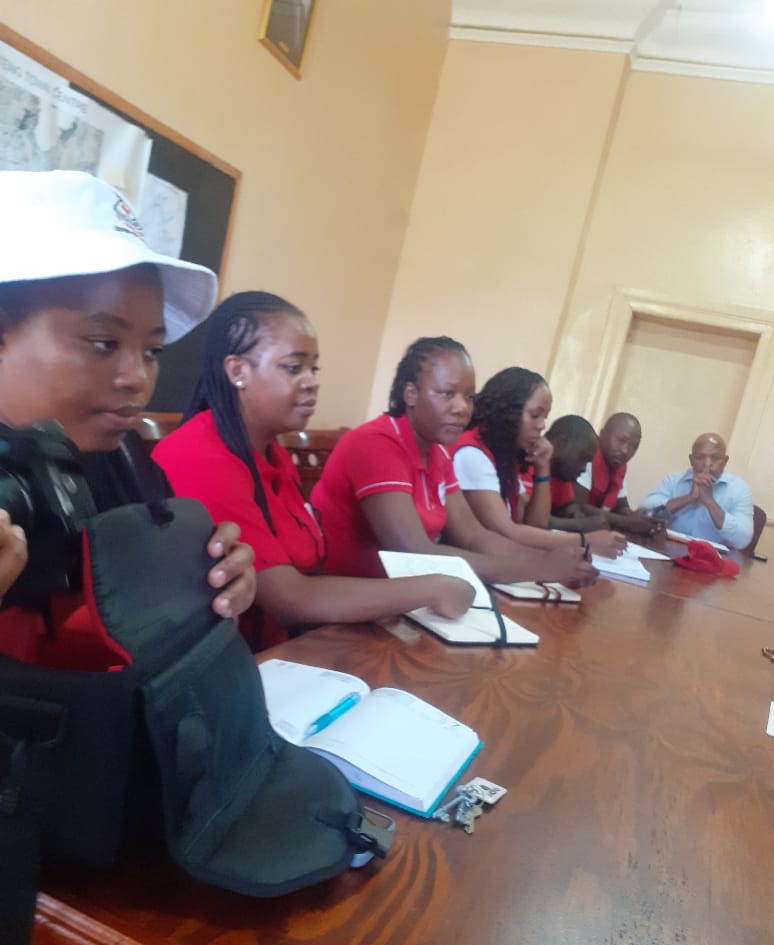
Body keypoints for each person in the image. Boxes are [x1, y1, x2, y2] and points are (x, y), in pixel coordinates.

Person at [0, 170, 257, 660]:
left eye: (153, 351)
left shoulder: (123, 460)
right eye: (104, 343)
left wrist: (213, 588)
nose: (137, 377)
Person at [152, 293, 474, 648]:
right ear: (238, 371)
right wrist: (432, 588)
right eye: (294, 368)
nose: (311, 382)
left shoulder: (274, 454)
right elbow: (290, 599)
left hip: (292, 646)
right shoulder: (201, 455)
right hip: (236, 658)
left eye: (313, 369)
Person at [311, 339, 596, 586]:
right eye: (447, 393)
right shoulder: (376, 443)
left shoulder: (439, 452)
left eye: (468, 397)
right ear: (410, 394)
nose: (462, 408)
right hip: (344, 603)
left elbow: (474, 536)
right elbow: (414, 553)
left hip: (401, 596)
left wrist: (550, 561)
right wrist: (536, 568)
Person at [453, 368, 625, 558]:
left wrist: (543, 467)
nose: (542, 425)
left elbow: (535, 524)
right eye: (535, 415)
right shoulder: (472, 453)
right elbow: (506, 531)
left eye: (545, 417)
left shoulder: (503, 455)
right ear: (508, 412)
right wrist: (584, 540)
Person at [640, 432, 753, 550]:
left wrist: (709, 501)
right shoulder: (673, 480)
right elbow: (644, 512)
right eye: (700, 457)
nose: (707, 464)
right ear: (691, 460)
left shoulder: (740, 489)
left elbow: (742, 540)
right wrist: (689, 498)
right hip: (667, 549)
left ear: (725, 461)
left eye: (715, 458)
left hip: (709, 557)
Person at [574, 412, 662, 535]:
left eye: (634, 446)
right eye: (621, 440)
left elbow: (621, 507)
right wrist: (628, 522)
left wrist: (639, 518)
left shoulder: (618, 465)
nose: (626, 450)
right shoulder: (587, 455)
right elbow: (579, 508)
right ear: (602, 435)